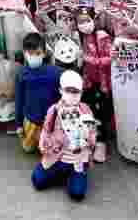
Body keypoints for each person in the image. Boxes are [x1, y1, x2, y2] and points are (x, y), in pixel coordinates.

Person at [31, 70, 98, 202]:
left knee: (77, 193)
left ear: (81, 92)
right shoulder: (54, 110)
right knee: (38, 181)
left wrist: (88, 138)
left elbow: (92, 134)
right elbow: (46, 130)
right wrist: (44, 146)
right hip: (56, 157)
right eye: (68, 90)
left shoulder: (86, 110)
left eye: (76, 91)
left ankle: (74, 175)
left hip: (77, 159)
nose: (72, 95)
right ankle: (58, 173)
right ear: (61, 90)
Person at [15, 32, 63, 154]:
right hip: (30, 121)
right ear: (24, 53)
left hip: (50, 122)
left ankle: (49, 142)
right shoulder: (21, 74)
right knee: (28, 148)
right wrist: (19, 124)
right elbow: (19, 99)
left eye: (37, 53)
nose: (33, 56)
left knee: (47, 151)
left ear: (44, 53)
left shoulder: (56, 72)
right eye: (30, 53)